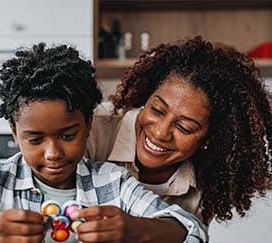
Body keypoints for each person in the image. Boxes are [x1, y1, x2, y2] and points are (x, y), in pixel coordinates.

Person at [0, 42, 207, 243]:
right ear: (15, 133)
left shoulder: (113, 182)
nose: (53, 153)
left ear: (88, 125)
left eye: (68, 135)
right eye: (35, 140)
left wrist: (136, 230)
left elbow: (193, 231)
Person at [86, 36, 272, 227]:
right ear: (147, 97)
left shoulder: (209, 176)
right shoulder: (92, 127)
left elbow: (190, 240)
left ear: (208, 139)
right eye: (157, 110)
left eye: (185, 128)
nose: (160, 133)